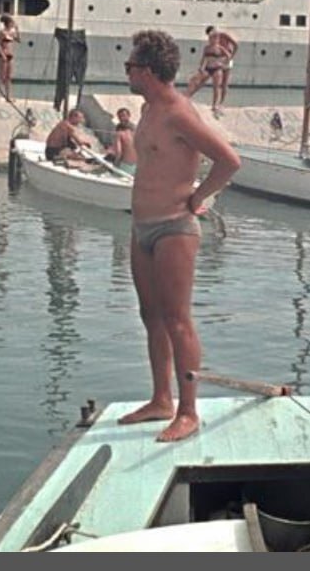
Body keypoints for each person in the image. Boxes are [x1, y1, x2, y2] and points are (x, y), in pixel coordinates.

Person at [119, 29, 241, 443]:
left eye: (130, 66)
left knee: (177, 319)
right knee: (150, 315)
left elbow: (229, 161)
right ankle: (161, 399)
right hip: (142, 227)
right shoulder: (148, 108)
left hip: (174, 226)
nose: (127, 72)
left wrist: (199, 197)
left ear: (148, 71)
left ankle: (189, 411)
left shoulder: (178, 113)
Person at [185, 25, 238, 113]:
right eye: (210, 37)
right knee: (202, 80)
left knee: (224, 83)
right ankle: (189, 96)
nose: (212, 38)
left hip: (225, 59)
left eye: (213, 36)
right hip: (215, 61)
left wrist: (231, 57)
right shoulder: (208, 47)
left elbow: (235, 45)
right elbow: (204, 57)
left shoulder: (223, 35)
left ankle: (220, 103)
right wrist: (202, 67)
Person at [0, 14, 20, 102]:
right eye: (11, 22)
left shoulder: (12, 32)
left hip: (10, 55)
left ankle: (8, 96)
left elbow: (18, 40)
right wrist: (2, 55)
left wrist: (17, 30)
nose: (12, 24)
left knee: (9, 77)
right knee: (2, 76)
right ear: (8, 23)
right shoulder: (2, 32)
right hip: (3, 55)